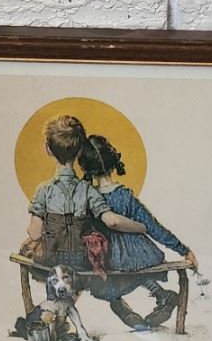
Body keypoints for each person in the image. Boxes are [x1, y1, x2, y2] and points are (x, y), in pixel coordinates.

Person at [78, 133, 197, 331]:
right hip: (138, 252)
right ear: (113, 162)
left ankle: (123, 309)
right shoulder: (126, 196)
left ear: (86, 169)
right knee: (130, 271)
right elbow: (153, 226)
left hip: (110, 255)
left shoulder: (91, 198)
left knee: (104, 280)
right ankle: (161, 295)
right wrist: (183, 249)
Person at [23, 115, 146, 273]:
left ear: (48, 149)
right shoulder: (87, 189)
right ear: (80, 150)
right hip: (82, 262)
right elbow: (113, 221)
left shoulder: (43, 190)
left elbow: (34, 233)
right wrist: (142, 228)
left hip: (51, 261)